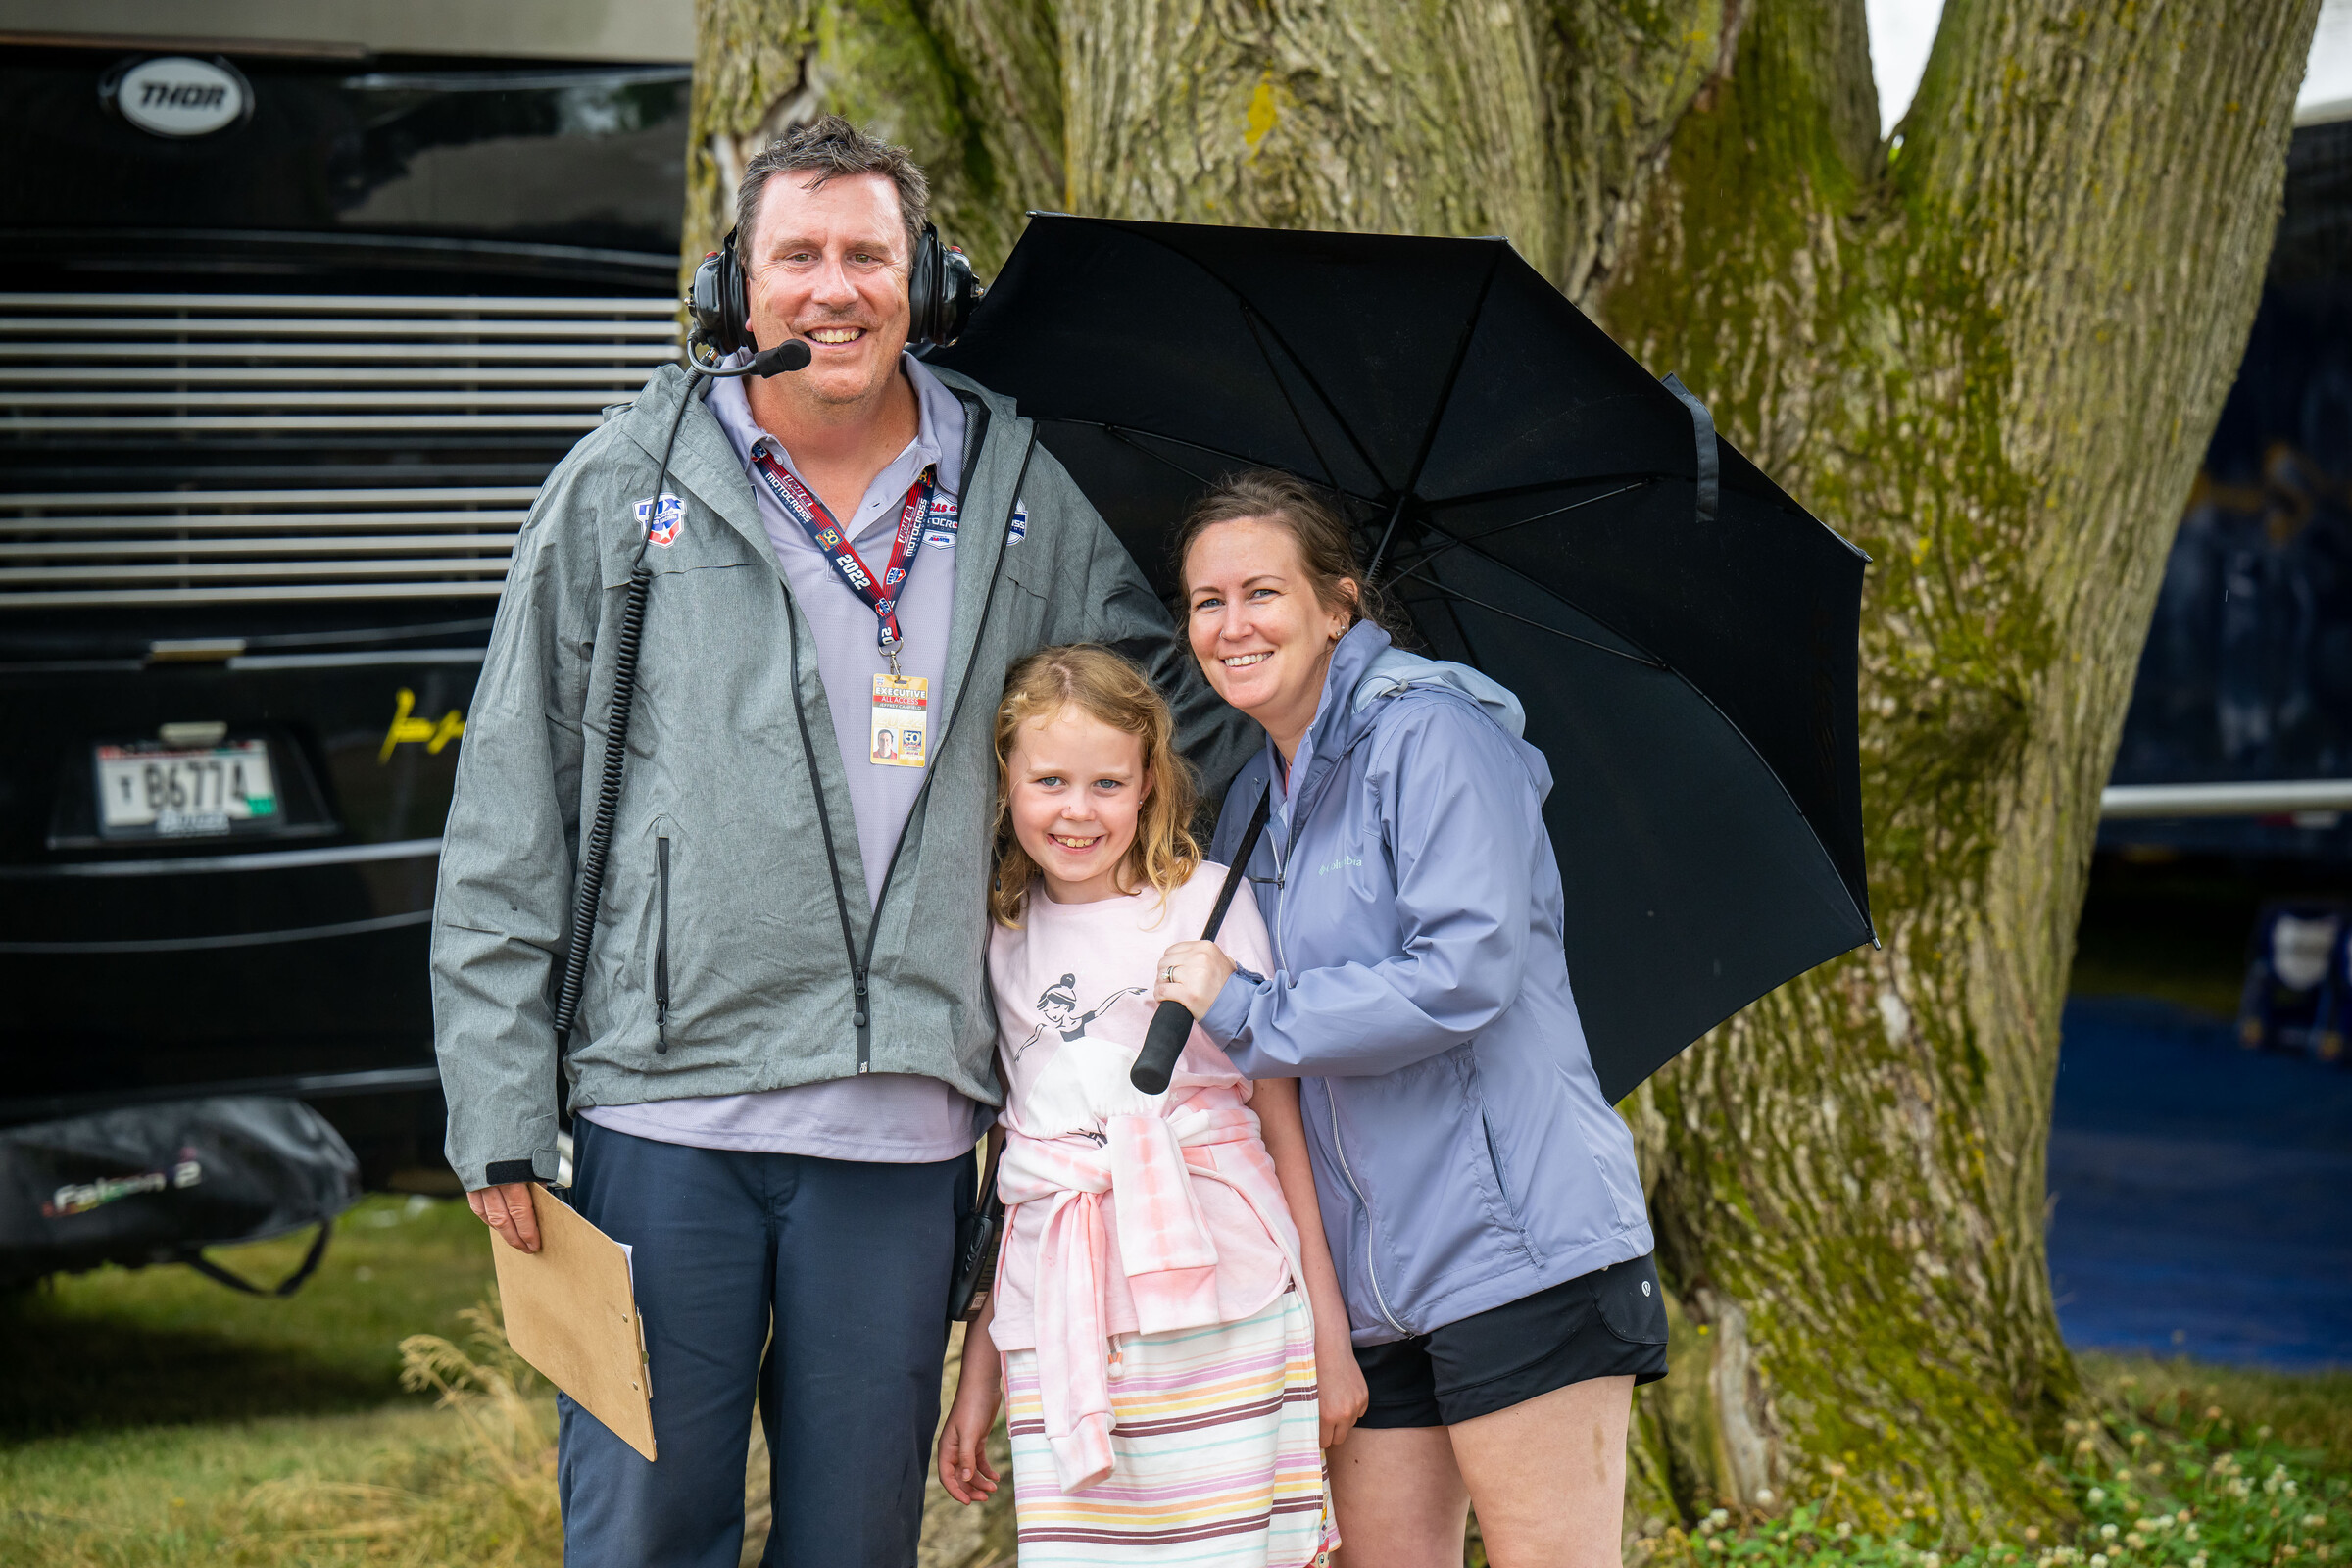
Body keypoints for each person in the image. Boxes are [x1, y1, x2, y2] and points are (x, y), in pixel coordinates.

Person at [429, 118, 1251, 1568]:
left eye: (866, 254)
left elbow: (1169, 714)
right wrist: (497, 1096)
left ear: (922, 282)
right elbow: (509, 800)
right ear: (731, 287)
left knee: (857, 1545)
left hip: (905, 1131)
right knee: (642, 1535)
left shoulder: (1014, 489)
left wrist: (1337, 692)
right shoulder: (623, 482)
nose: (832, 288)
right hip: (663, 1112)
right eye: (796, 254)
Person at [1151, 472, 1668, 1568]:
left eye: (1262, 592)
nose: (1233, 625)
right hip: (1368, 1288)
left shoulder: (1432, 736)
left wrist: (1248, 1008)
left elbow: (1463, 974)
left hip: (1518, 1253)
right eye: (1206, 601)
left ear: (1339, 605)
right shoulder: (1251, 805)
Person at [936, 644, 1360, 1565]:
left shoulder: (1207, 904)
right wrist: (979, 1375)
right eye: (1050, 781)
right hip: (1062, 1319)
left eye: (1107, 784)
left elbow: (1280, 1122)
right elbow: (1017, 1168)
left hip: (1226, 1301)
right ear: (1006, 784)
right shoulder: (1000, 932)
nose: (1077, 810)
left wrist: (1330, 1330)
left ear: (1148, 786)